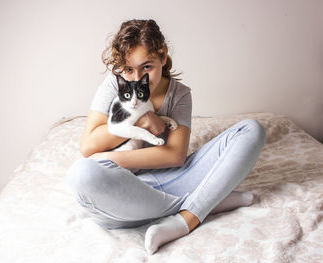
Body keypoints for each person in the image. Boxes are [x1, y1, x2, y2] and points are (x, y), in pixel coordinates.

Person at [66, 19, 266, 255]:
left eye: (146, 67)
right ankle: (207, 201)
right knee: (83, 173)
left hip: (174, 180)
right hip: (126, 191)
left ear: (162, 56)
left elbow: (175, 156)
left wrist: (107, 157)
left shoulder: (180, 94)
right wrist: (141, 119)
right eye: (129, 69)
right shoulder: (115, 84)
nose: (137, 77)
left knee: (252, 130)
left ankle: (185, 219)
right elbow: (89, 146)